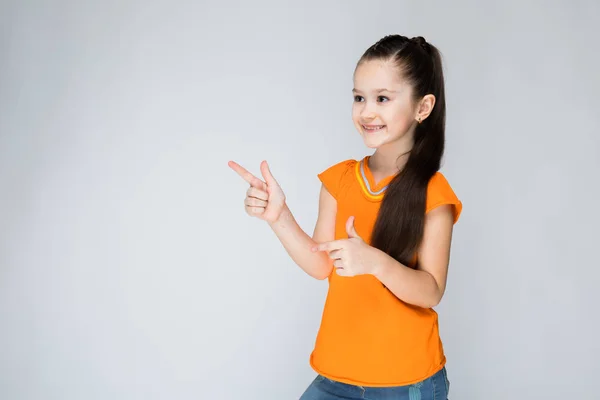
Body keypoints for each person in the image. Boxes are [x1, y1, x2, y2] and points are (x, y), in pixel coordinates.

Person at [228, 34, 462, 400]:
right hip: (336, 377)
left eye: (382, 98)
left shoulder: (434, 193)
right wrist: (279, 216)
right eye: (359, 97)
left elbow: (431, 291)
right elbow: (322, 264)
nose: (366, 111)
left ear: (423, 107)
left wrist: (374, 262)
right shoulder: (339, 180)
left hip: (408, 381)